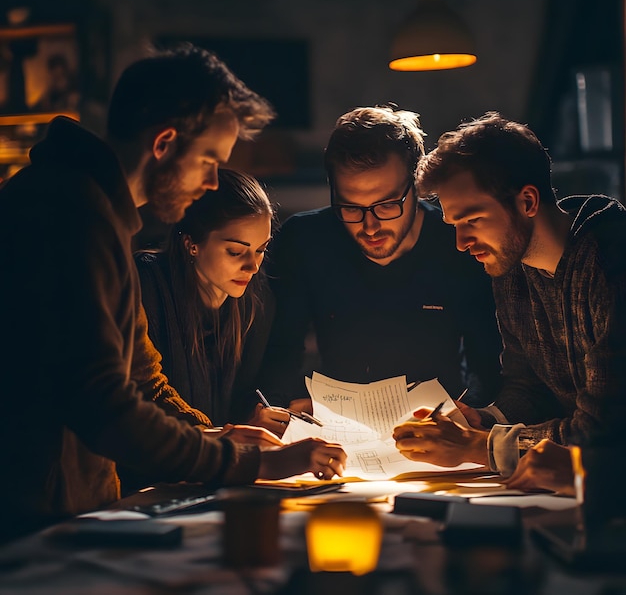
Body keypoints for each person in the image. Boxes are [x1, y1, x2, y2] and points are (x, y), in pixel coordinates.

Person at [0, 44, 346, 544]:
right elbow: (104, 403)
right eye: (208, 161)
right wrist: (246, 461)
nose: (210, 184)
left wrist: (216, 434)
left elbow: (144, 379)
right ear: (164, 143)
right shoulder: (71, 215)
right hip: (32, 515)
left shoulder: (99, 211)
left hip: (69, 504)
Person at [393, 111, 626, 477]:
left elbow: (601, 434)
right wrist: (481, 420)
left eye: (472, 220)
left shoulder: (609, 264)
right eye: (455, 225)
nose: (461, 243)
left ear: (528, 202)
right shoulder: (512, 268)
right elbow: (528, 388)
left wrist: (476, 446)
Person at [259, 104, 502, 412]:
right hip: (340, 423)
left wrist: (475, 412)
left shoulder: (457, 243)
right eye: (350, 207)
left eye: (387, 205)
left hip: (440, 424)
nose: (370, 226)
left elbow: (488, 362)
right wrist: (280, 408)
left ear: (417, 187)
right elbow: (280, 352)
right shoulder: (305, 240)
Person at [135, 168, 289, 437]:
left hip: (219, 463)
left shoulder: (257, 302)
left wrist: (256, 416)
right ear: (191, 244)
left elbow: (245, 395)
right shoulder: (145, 285)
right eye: (235, 251)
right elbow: (140, 404)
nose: (252, 266)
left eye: (261, 249)